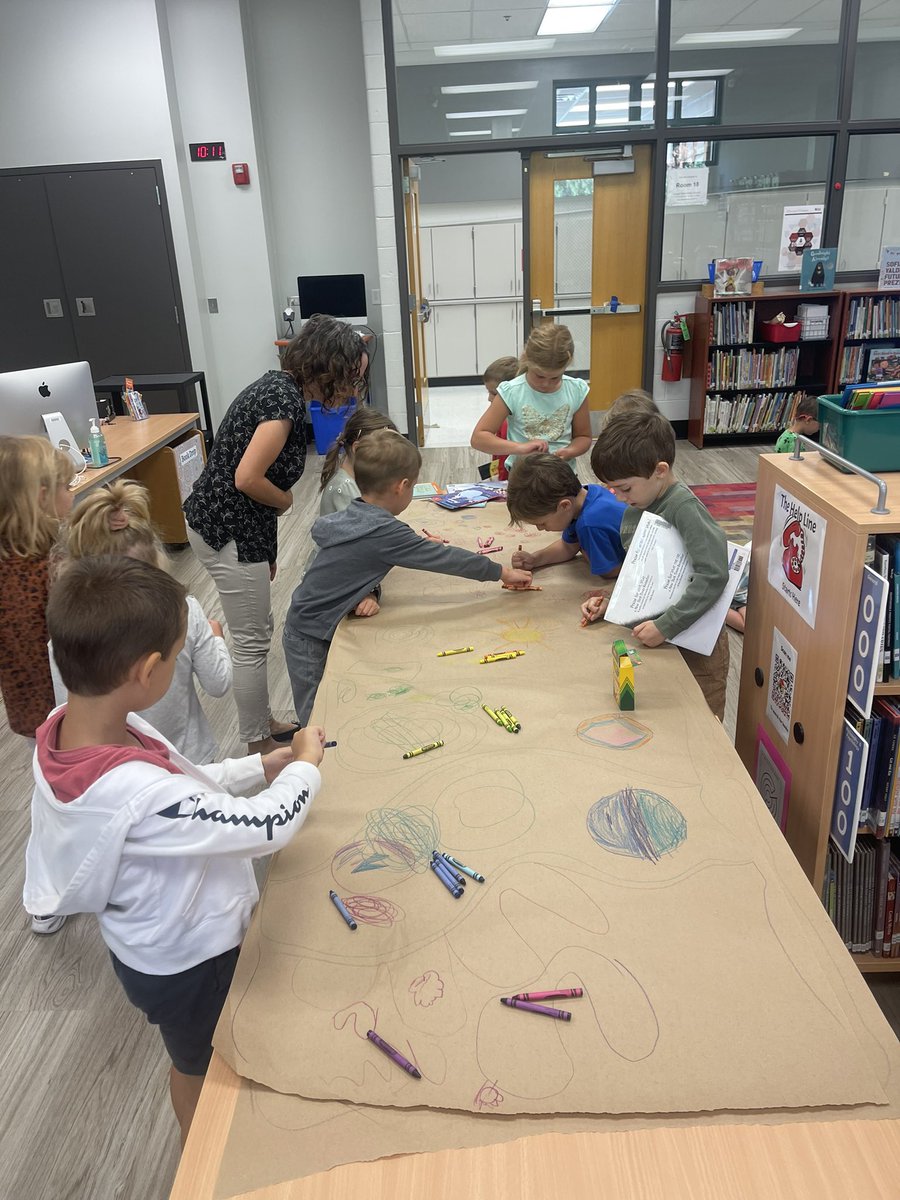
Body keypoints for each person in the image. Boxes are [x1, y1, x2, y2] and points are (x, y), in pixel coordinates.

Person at [23, 555, 325, 1146]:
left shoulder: (75, 727)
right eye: (180, 651)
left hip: (156, 948)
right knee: (203, 1067)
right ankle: (203, 1157)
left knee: (196, 1057)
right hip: (191, 963)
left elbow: (185, 781)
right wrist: (305, 769)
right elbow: (267, 825)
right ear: (148, 670)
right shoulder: (132, 794)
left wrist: (259, 767)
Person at [184, 314, 368, 756]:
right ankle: (259, 745)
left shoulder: (280, 389)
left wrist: (265, 550)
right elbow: (247, 478)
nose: (352, 387)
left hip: (235, 527)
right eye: (350, 375)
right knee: (251, 641)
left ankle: (261, 722)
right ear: (327, 366)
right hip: (226, 529)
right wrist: (286, 501)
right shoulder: (282, 401)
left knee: (256, 627)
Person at [283, 429, 533, 725]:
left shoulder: (356, 513)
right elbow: (447, 559)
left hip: (307, 620)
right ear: (401, 487)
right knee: (316, 720)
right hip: (311, 633)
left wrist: (371, 589)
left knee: (330, 709)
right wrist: (501, 572)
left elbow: (351, 564)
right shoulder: (384, 532)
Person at [50, 480, 232, 763]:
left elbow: (68, 707)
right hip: (188, 759)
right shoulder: (184, 610)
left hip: (113, 767)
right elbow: (218, 682)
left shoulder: (65, 635)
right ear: (155, 561)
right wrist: (216, 638)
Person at [583, 409, 730, 721]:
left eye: (625, 488)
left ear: (660, 470)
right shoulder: (636, 507)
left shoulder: (683, 508)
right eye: (611, 488)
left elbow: (713, 575)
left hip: (695, 641)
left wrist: (666, 625)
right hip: (659, 635)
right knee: (664, 719)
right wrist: (613, 604)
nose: (618, 498)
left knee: (701, 720)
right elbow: (642, 573)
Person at [0, 435, 76, 935]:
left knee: (57, 788)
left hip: (34, 705)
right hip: (59, 702)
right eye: (66, 487)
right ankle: (47, 892)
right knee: (55, 797)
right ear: (41, 497)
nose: (73, 494)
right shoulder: (49, 565)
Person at [470, 324, 591, 474]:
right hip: (522, 476)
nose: (546, 384)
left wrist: (569, 451)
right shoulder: (512, 392)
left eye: (555, 378)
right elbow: (479, 438)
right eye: (539, 376)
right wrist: (520, 448)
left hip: (562, 474)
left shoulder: (576, 390)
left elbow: (583, 437)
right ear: (527, 359)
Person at [507, 452, 626, 579]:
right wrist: (535, 559)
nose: (540, 529)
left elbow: (611, 571)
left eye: (542, 523)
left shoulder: (589, 524)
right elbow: (568, 547)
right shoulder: (588, 493)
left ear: (564, 506)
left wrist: (585, 551)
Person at [319, 405, 398, 516]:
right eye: (381, 451)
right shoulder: (345, 488)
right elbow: (359, 525)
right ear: (357, 448)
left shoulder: (360, 479)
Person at [477, 355, 519, 482]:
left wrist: (502, 482)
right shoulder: (499, 420)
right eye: (488, 392)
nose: (489, 398)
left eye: (494, 393)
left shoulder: (507, 423)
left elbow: (506, 457)